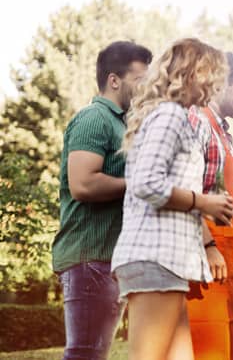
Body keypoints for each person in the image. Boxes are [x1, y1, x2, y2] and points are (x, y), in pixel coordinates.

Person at [111, 38, 233, 360]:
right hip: (156, 257)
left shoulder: (170, 115)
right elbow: (146, 183)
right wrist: (203, 202)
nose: (216, 86)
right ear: (193, 74)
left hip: (168, 262)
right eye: (214, 75)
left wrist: (204, 212)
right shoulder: (170, 116)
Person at [52, 41, 151, 360]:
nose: (145, 87)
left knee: (93, 354)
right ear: (114, 80)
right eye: (139, 79)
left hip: (108, 257)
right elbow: (83, 183)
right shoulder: (94, 118)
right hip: (90, 257)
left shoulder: (122, 123)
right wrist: (140, 184)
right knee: (84, 354)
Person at [186, 51, 233, 360]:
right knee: (207, 346)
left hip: (228, 256)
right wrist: (207, 245)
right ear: (220, 83)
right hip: (205, 255)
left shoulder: (225, 133)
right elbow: (184, 187)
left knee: (230, 345)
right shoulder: (197, 121)